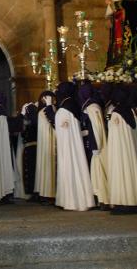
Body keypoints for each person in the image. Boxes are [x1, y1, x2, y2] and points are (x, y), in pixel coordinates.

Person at [106, 86, 137, 213]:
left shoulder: (117, 113)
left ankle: (125, 203)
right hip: (130, 151)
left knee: (122, 172)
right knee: (130, 172)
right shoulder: (130, 111)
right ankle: (132, 202)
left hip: (120, 152)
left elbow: (115, 136)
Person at [54, 82, 94, 211]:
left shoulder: (66, 107)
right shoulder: (73, 105)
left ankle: (73, 200)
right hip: (73, 145)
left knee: (70, 165)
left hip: (68, 147)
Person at [78, 81, 109, 207]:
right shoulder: (90, 106)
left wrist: (96, 145)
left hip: (97, 146)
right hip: (93, 143)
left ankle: (103, 199)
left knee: (99, 172)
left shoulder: (92, 107)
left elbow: (96, 128)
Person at [35, 91, 56, 204]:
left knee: (46, 166)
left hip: (46, 143)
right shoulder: (46, 110)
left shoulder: (42, 111)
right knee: (49, 166)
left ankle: (45, 192)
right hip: (49, 142)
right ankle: (50, 193)